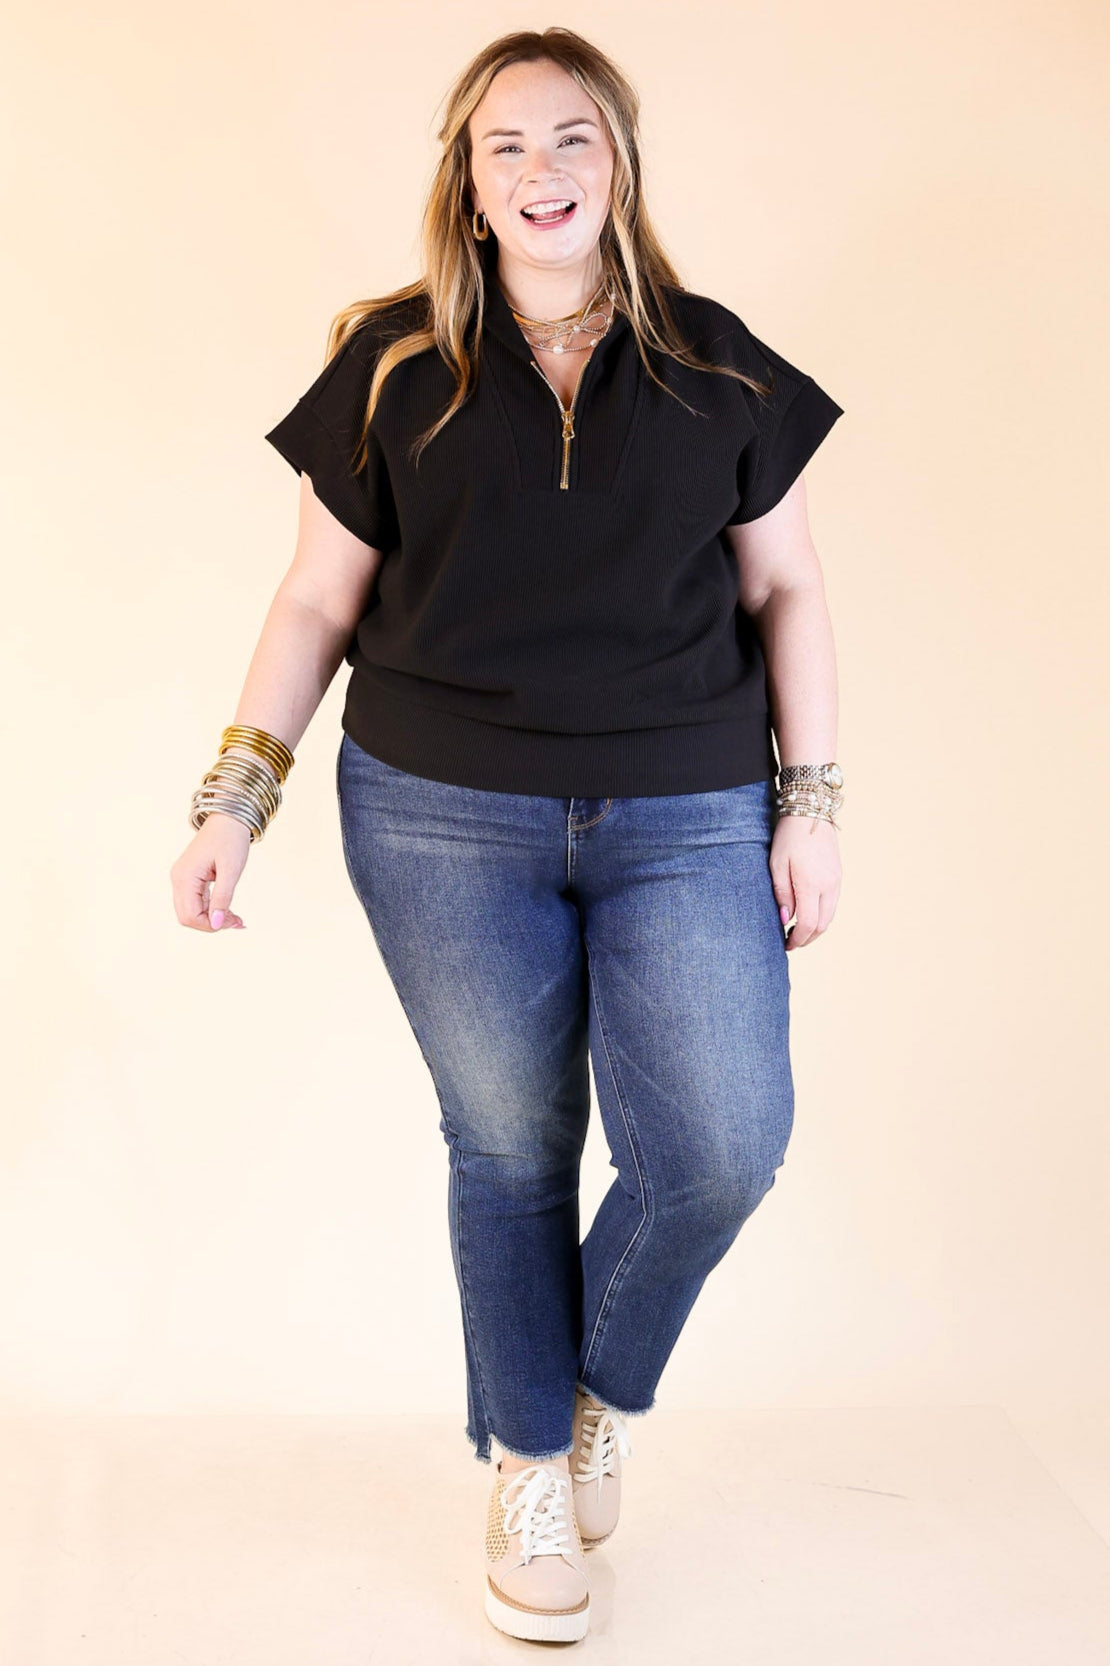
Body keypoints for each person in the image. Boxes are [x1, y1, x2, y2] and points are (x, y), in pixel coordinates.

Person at [170, 25, 845, 1647]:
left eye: (570, 138)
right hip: (438, 811)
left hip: (686, 808)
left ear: (618, 162)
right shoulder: (390, 364)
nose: (539, 171)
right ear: (466, 184)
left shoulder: (719, 367)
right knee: (508, 1147)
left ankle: (586, 1392)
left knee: (719, 1146)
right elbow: (314, 599)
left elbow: (786, 589)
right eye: (504, 146)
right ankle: (530, 1466)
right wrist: (234, 796)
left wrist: (810, 801)